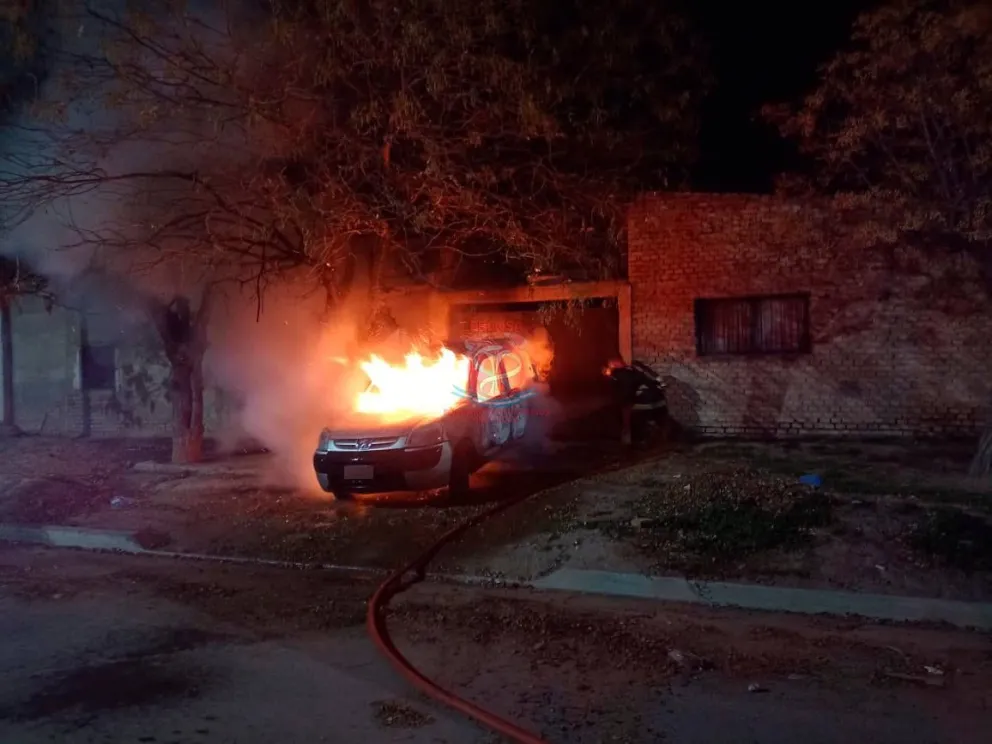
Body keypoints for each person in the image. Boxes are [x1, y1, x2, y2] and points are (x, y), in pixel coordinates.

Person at [604, 358, 668, 445]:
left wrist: (609, 376)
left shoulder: (617, 374)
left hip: (628, 402)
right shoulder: (634, 372)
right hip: (642, 401)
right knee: (636, 420)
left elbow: (616, 388)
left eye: (611, 364)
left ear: (615, 364)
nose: (610, 366)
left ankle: (627, 442)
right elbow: (647, 381)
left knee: (626, 421)